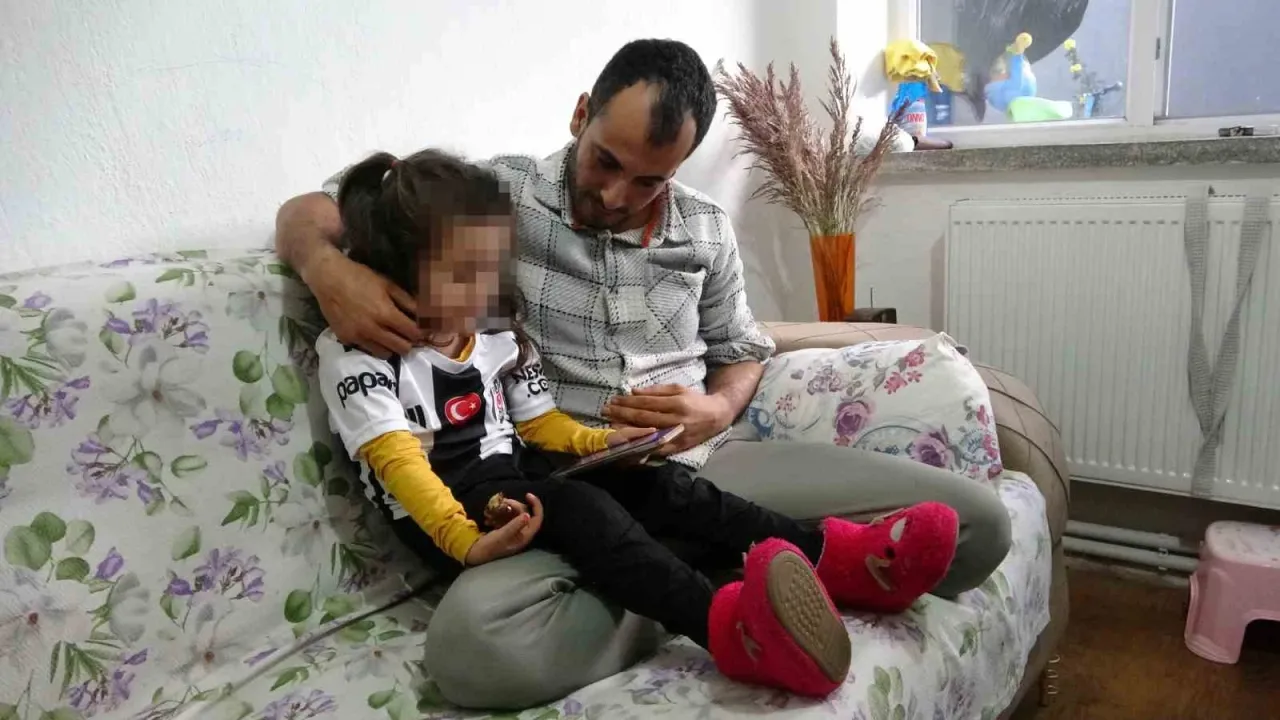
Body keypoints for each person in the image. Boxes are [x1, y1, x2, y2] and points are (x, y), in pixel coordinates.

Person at [276, 38, 1012, 710]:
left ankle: (731, 565)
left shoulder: (705, 228)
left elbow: (744, 349)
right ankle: (716, 583)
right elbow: (323, 207)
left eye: (649, 180)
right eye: (605, 161)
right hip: (561, 487)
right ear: (580, 115)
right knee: (475, 651)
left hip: (711, 466)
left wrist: (716, 409)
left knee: (980, 528)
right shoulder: (489, 200)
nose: (616, 196)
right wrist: (325, 268)